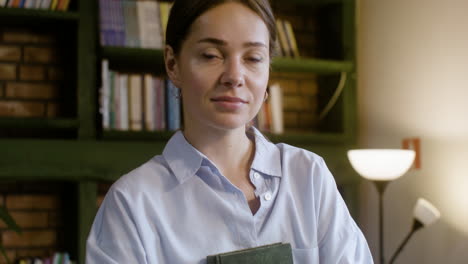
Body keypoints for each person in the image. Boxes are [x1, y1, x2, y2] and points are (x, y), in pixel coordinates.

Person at [86, 0, 373, 263]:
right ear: (173, 64)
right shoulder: (133, 202)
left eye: (253, 58)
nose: (234, 76)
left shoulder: (308, 175)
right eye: (211, 55)